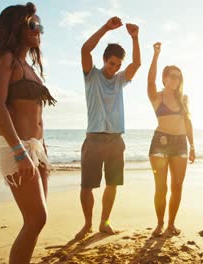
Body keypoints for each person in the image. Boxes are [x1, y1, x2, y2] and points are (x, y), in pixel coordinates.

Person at [0, 2, 56, 263]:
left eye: (40, 25)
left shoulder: (29, 66)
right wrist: (19, 151)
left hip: (36, 148)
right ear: (14, 27)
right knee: (36, 219)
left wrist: (41, 148)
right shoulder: (4, 58)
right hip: (16, 147)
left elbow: (35, 114)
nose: (38, 30)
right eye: (32, 25)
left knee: (37, 220)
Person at [75, 16, 141, 239]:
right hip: (93, 138)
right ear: (104, 60)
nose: (114, 68)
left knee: (112, 184)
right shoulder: (91, 76)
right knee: (87, 186)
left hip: (115, 140)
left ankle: (104, 222)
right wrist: (105, 27)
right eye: (111, 63)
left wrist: (135, 38)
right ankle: (87, 224)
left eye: (118, 65)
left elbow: (137, 64)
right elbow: (85, 49)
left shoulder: (120, 80)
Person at [147, 42, 195, 237]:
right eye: (171, 76)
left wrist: (192, 145)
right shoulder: (156, 97)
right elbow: (150, 82)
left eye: (178, 76)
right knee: (161, 186)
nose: (175, 79)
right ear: (165, 78)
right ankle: (159, 224)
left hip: (181, 143)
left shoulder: (184, 99)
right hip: (160, 142)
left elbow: (188, 122)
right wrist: (156, 56)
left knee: (177, 186)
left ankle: (171, 224)